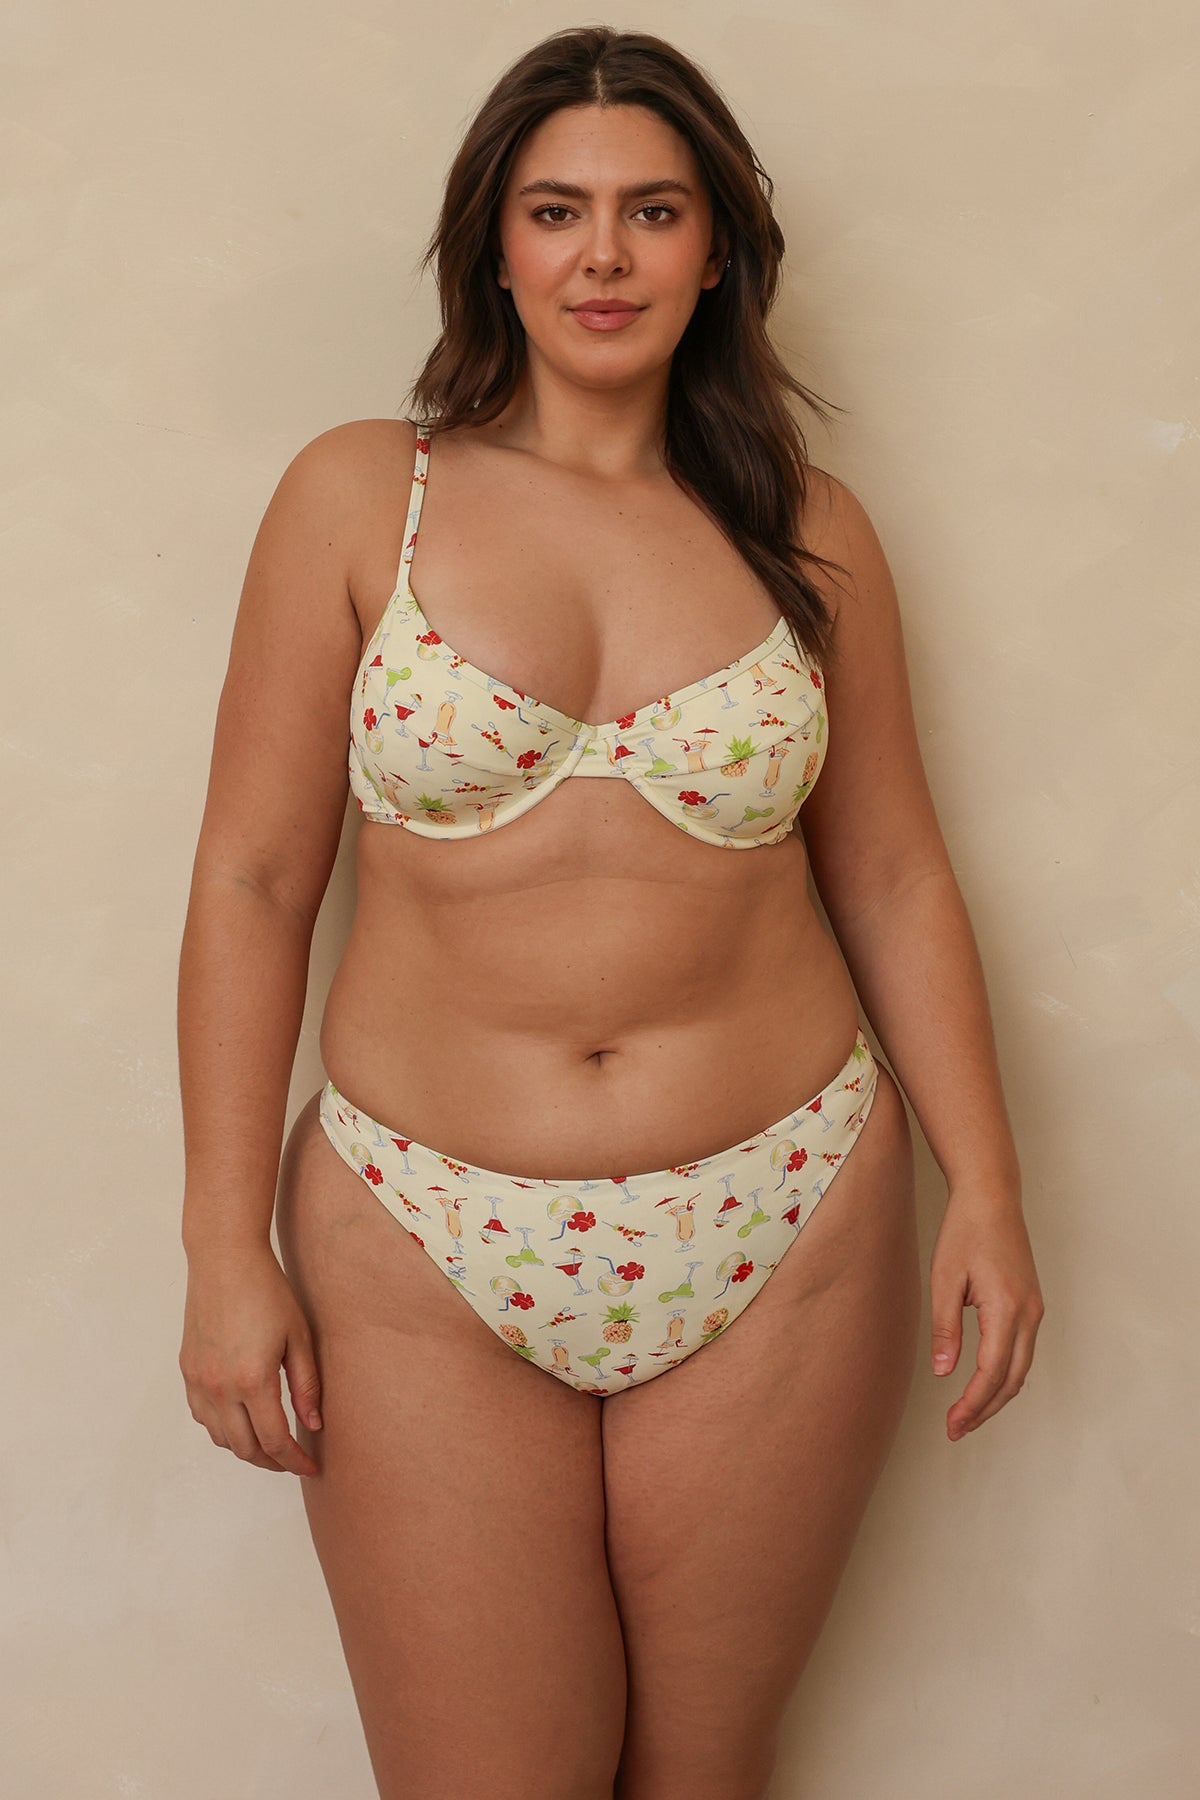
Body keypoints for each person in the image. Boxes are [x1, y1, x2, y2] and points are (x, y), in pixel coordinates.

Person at [177, 25, 1043, 1800]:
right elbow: (255, 882)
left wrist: (990, 1188)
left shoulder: (812, 531)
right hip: (420, 1234)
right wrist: (219, 1246)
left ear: (716, 250)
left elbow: (892, 873)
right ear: (492, 244)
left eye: (654, 211)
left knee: (706, 1775)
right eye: (555, 210)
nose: (603, 255)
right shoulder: (360, 495)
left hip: (784, 1212)